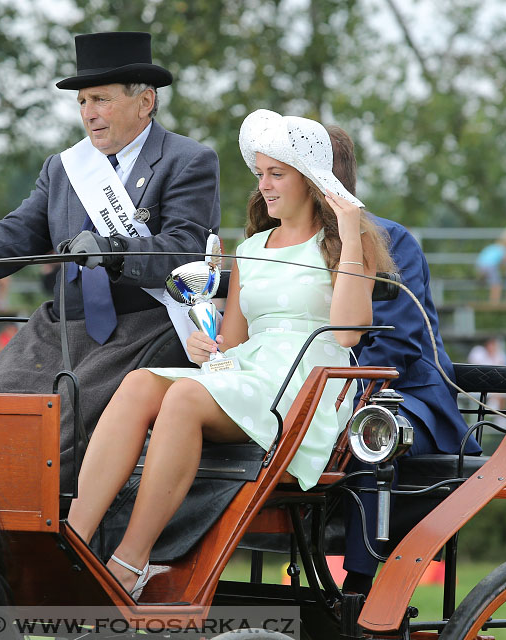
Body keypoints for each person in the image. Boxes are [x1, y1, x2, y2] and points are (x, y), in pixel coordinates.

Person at [66, 110, 394, 596]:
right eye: (260, 174)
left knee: (181, 400)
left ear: (309, 181)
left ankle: (129, 565)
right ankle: (72, 543)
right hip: (252, 370)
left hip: (307, 381)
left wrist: (348, 229)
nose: (264, 185)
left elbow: (349, 332)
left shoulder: (345, 243)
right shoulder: (252, 247)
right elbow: (235, 342)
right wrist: (206, 346)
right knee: (137, 383)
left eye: (276, 174)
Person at [0, 31, 222, 492]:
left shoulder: (187, 161)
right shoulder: (64, 168)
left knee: (59, 426)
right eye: (82, 102)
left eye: (100, 99)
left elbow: (183, 248)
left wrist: (114, 251)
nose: (88, 114)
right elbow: (19, 231)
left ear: (145, 102)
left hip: (142, 326)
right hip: (59, 326)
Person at [325, 124, 478, 596]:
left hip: (406, 397)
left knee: (369, 430)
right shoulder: (284, 249)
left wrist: (327, 393)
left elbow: (396, 346)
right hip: (320, 391)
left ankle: (362, 583)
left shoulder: (390, 241)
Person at [468, 336, 506, 410]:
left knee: (502, 391)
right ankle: (493, 410)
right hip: (477, 384)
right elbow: (474, 370)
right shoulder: (477, 352)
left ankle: (497, 414)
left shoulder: (500, 355)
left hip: (493, 385)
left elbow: (500, 373)